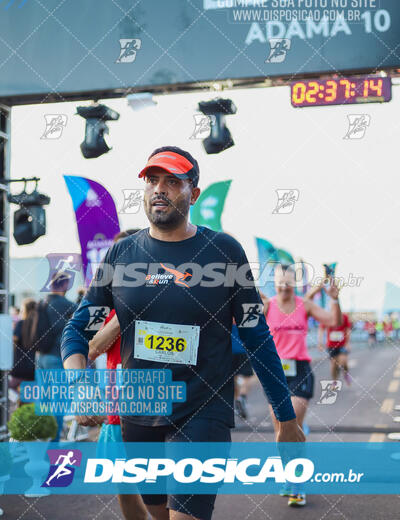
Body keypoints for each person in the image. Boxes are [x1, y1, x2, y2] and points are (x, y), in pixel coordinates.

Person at [62, 146, 304, 520]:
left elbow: (257, 337)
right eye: (152, 181)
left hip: (203, 410)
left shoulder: (224, 252)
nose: (159, 189)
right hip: (140, 413)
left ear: (194, 193)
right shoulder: (121, 255)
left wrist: (286, 419)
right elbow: (77, 331)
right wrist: (80, 389)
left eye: (172, 181)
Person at [260, 265, 341, 507]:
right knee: (280, 430)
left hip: (300, 371)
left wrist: (335, 300)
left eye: (288, 282)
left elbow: (333, 321)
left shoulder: (303, 304)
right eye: (280, 282)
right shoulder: (268, 305)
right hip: (274, 372)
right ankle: (288, 473)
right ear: (274, 283)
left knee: (291, 423)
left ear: (294, 283)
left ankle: (297, 483)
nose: (284, 286)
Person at [88, 228, 148, 520]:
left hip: (159, 404)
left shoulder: (164, 292)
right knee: (124, 485)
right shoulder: (106, 302)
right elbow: (94, 347)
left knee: (160, 486)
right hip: (117, 407)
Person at [37, 271, 77, 440]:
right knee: (58, 402)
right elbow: (85, 316)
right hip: (56, 357)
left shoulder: (43, 302)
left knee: (43, 402)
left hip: (41, 357)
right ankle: (52, 444)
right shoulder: (65, 304)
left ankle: (39, 441)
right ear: (64, 285)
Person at [9, 298, 36, 402]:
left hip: (20, 365)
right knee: (29, 393)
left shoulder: (21, 323)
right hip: (32, 365)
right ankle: (23, 402)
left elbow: (15, 338)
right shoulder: (36, 324)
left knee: (9, 387)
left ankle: (19, 400)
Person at [318, 311, 352, 385]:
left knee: (343, 361)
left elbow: (348, 329)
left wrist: (348, 342)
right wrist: (320, 343)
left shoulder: (344, 316)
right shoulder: (327, 316)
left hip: (342, 345)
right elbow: (321, 329)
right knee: (334, 365)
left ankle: (346, 374)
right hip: (331, 346)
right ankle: (334, 381)